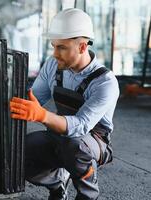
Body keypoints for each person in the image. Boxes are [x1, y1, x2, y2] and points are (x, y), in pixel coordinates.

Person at [9, 8, 120, 200]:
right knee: (19, 151)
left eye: (61, 47)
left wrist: (42, 115)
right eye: (53, 46)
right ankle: (58, 182)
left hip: (93, 143)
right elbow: (33, 99)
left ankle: (88, 194)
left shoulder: (105, 82)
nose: (55, 54)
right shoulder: (54, 65)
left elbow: (80, 126)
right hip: (59, 135)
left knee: (74, 145)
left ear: (82, 47)